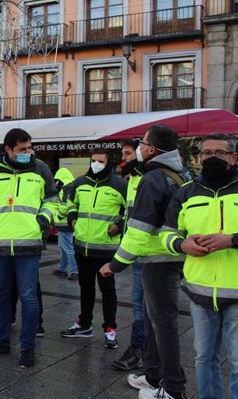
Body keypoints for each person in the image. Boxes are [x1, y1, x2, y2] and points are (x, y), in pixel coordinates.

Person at [100, 125, 188, 399]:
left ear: (152, 149)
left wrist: (115, 264)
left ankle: (173, 388)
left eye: (143, 142)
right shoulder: (178, 175)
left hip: (158, 260)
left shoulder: (154, 178)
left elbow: (139, 230)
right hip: (166, 257)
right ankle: (152, 377)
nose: (139, 146)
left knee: (163, 324)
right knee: (153, 321)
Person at [160, 133, 238, 399]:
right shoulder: (186, 192)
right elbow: (166, 233)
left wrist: (233, 240)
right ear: (199, 157)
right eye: (207, 153)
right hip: (199, 293)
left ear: (233, 157)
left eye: (219, 153)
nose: (212, 158)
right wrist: (181, 245)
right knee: (203, 358)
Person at [0, 128, 58, 369]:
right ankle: (0, 341)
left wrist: (41, 222)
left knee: (29, 297)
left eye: (30, 148)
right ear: (8, 150)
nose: (28, 153)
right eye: (22, 149)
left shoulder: (41, 168)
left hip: (29, 244)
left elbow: (52, 200)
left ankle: (27, 349)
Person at [61, 148, 126, 350]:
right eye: (93, 160)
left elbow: (131, 211)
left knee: (108, 291)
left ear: (109, 163)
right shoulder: (81, 183)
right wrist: (72, 220)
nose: (96, 164)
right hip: (82, 247)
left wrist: (119, 226)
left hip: (106, 249)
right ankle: (84, 324)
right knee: (85, 288)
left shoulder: (120, 185)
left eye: (100, 161)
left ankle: (110, 329)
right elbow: (70, 203)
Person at [110, 139, 146, 371]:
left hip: (148, 253)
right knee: (141, 305)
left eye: (127, 154)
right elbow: (132, 213)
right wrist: (119, 223)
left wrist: (117, 262)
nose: (123, 159)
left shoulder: (147, 178)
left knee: (144, 306)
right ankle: (144, 352)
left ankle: (139, 351)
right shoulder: (132, 179)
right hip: (138, 253)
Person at [52, 167, 78, 280]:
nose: (57, 182)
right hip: (65, 224)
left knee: (67, 248)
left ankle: (75, 271)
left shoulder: (67, 189)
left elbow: (64, 207)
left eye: (58, 180)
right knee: (63, 247)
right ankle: (62, 268)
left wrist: (57, 216)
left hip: (64, 224)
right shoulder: (68, 187)